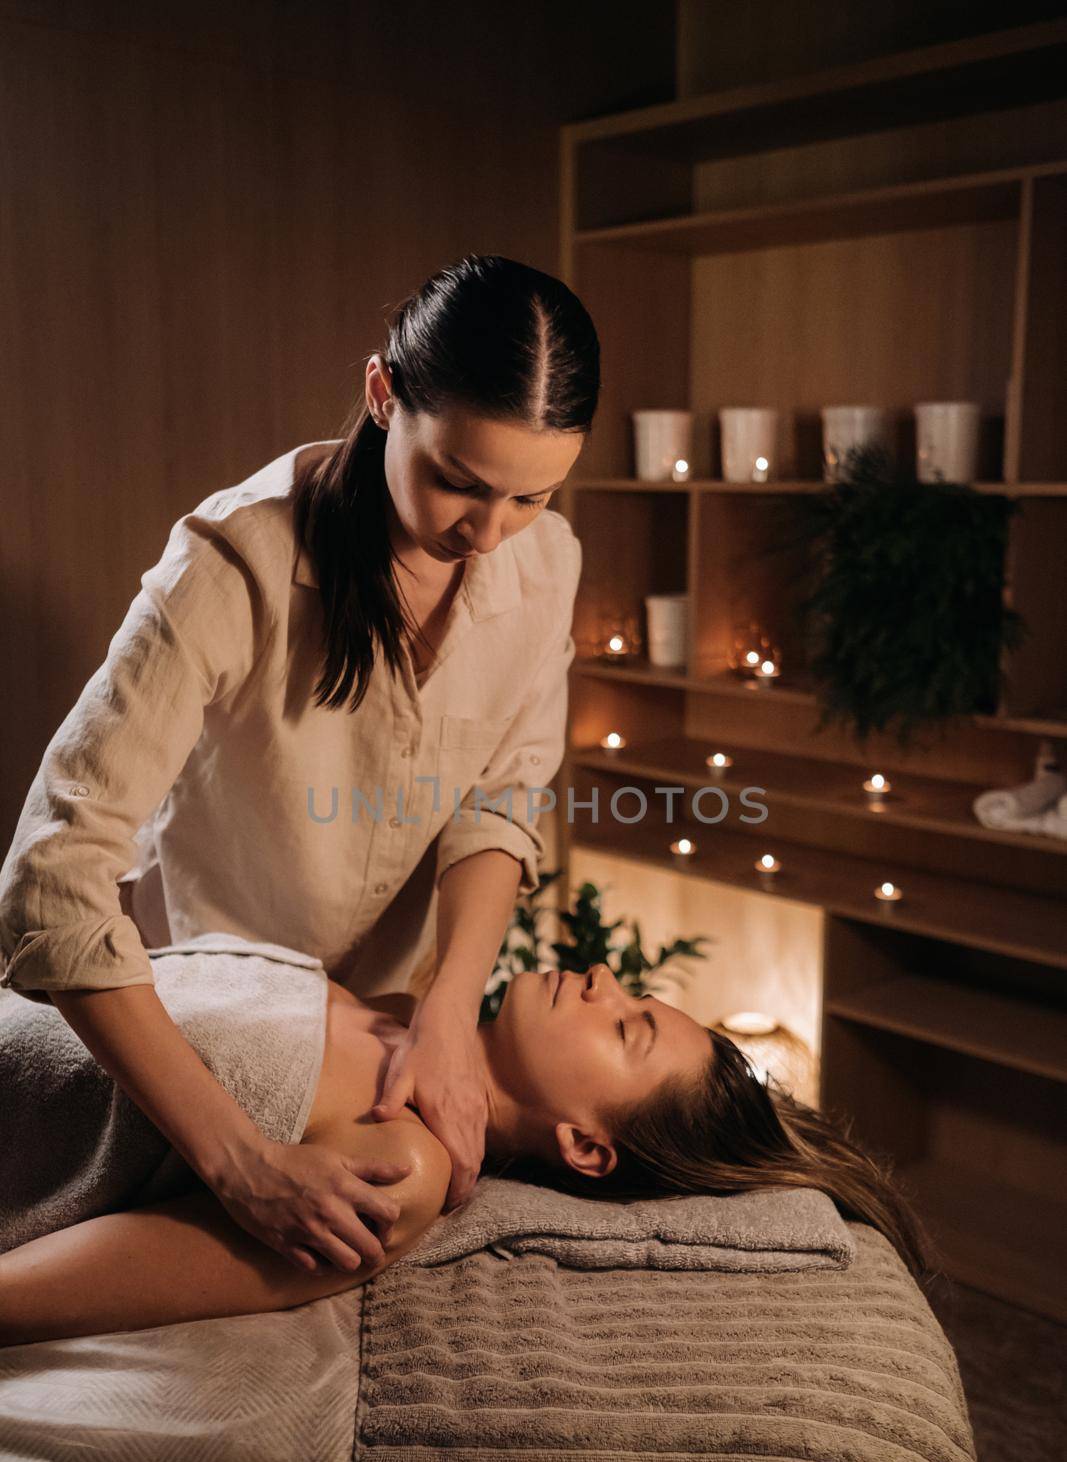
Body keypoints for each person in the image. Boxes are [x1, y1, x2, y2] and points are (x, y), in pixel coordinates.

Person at [0, 253, 598, 1270]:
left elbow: (497, 801)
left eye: (531, 497)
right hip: (195, 1044)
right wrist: (238, 1161)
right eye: (458, 481)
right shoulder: (234, 563)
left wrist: (449, 1013)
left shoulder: (547, 565)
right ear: (382, 395)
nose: (489, 534)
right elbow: (49, 883)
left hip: (378, 1038)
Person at [0, 957, 930, 1347]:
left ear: (585, 1148)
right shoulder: (396, 1008)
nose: (602, 979)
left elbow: (92, 1278)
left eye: (628, 1028)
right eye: (630, 992)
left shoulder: (404, 1169)